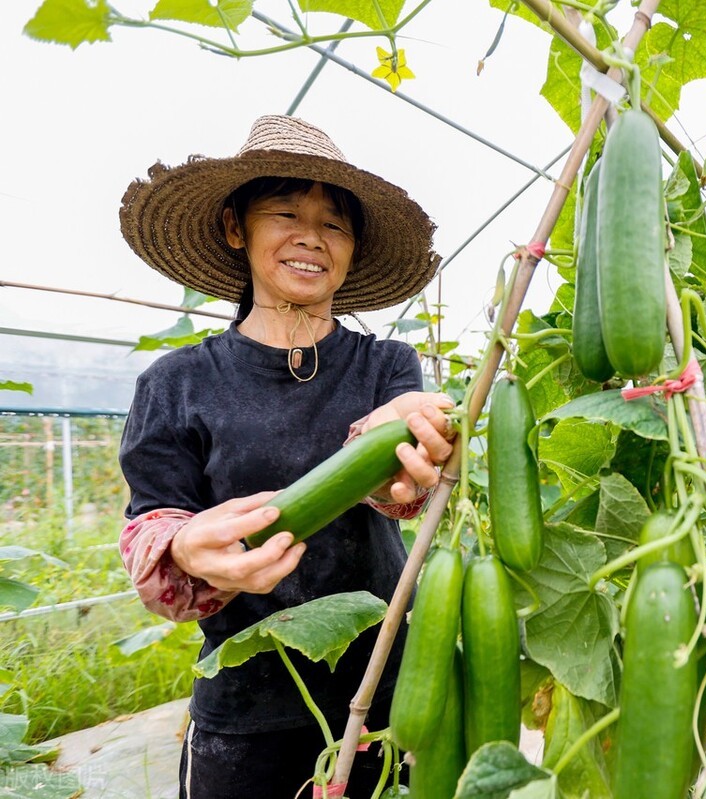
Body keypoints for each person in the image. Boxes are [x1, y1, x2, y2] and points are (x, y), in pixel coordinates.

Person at [115, 115, 456, 798]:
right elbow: (152, 520)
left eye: (334, 224)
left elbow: (401, 489)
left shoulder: (387, 365)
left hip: (383, 690)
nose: (311, 236)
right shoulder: (175, 384)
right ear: (235, 227)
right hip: (246, 712)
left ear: (352, 249)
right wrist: (181, 548)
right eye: (286, 213)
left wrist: (394, 459)